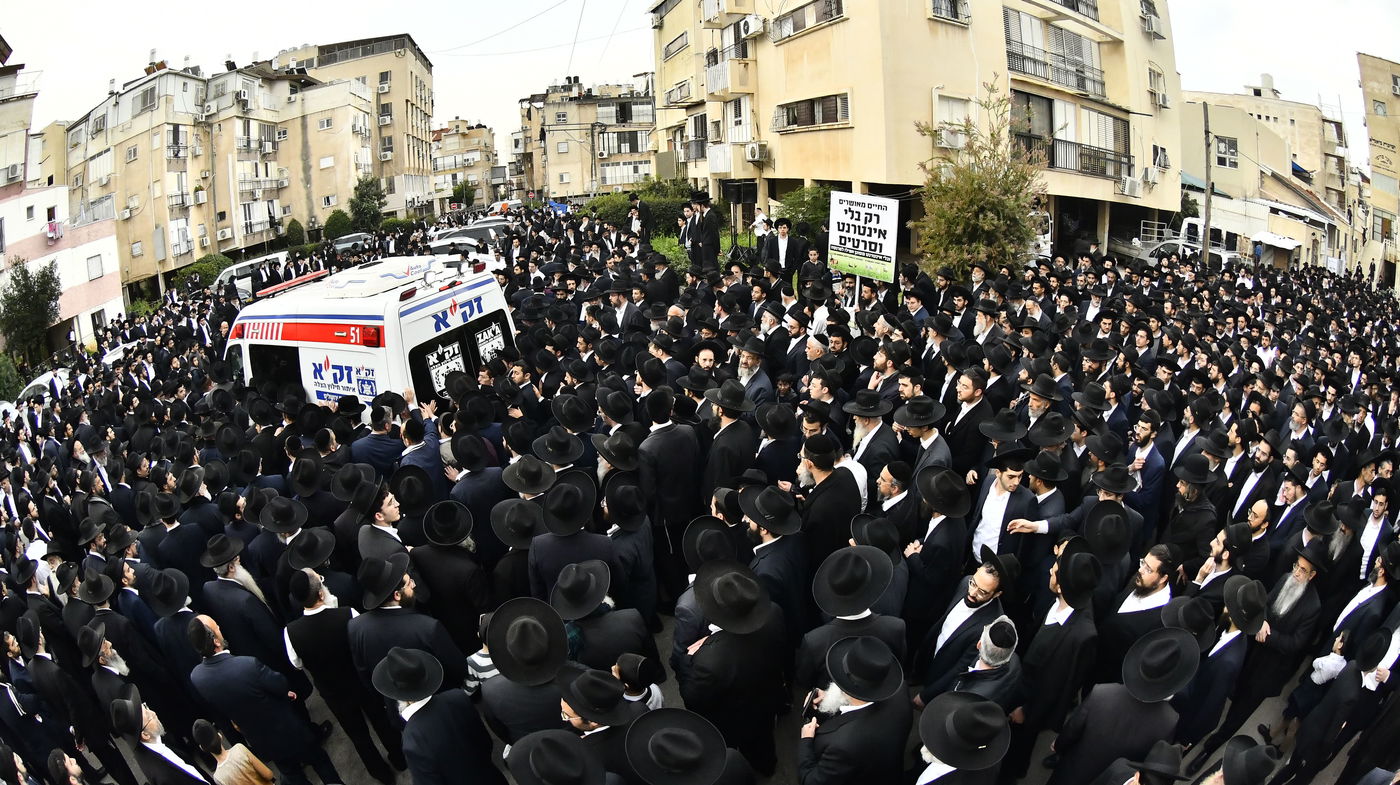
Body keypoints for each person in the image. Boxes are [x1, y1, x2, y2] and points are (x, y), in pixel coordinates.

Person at [796, 636, 912, 785]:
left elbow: (810, 781)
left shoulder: (843, 747)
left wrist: (806, 740)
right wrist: (830, 698)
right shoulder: (900, 688)